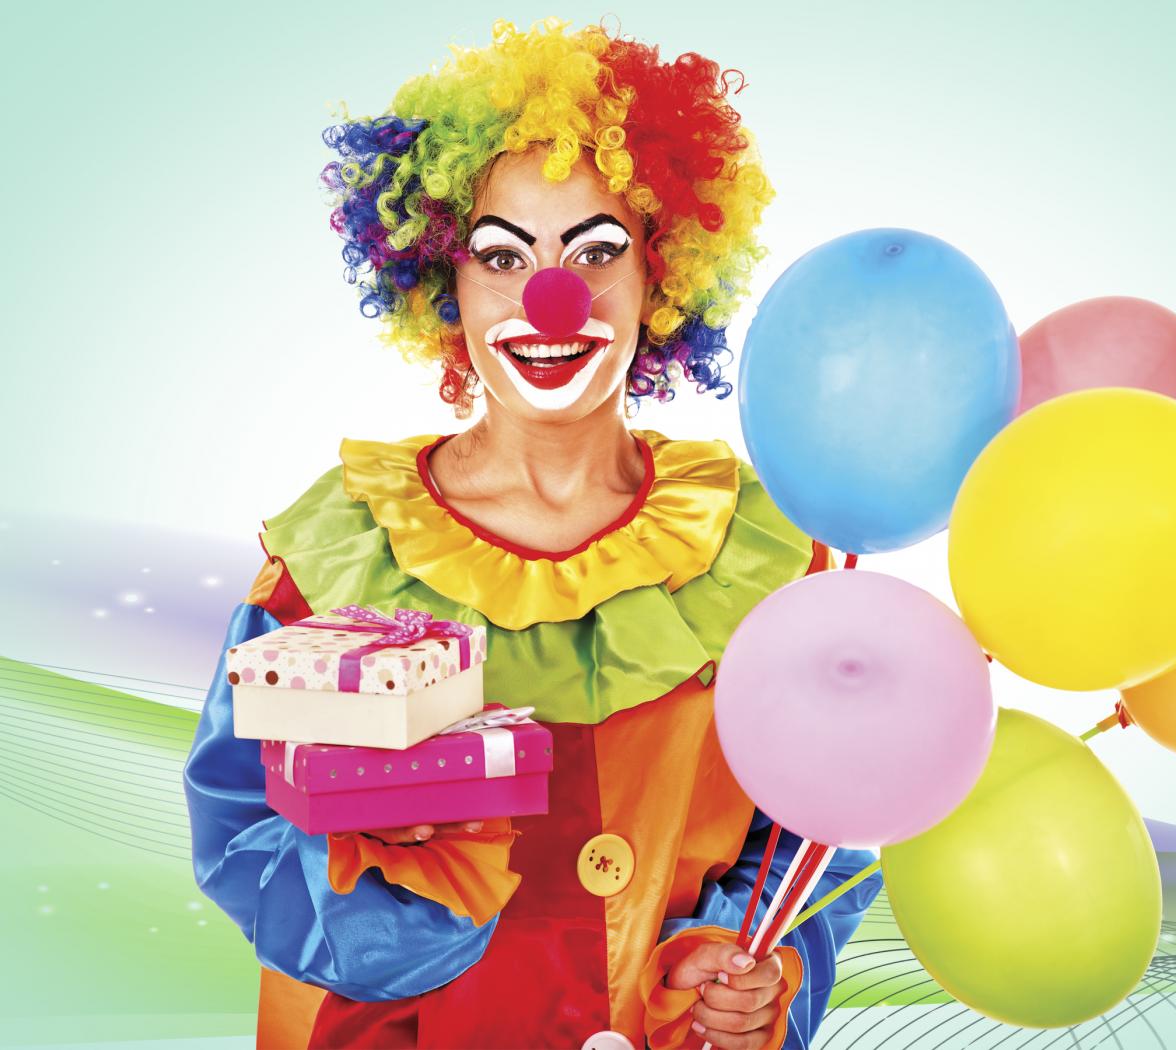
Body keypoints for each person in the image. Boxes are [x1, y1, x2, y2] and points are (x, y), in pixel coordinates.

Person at [183, 16, 883, 1049]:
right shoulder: (339, 554)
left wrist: (751, 962)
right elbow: (239, 830)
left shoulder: (765, 553)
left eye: (596, 251)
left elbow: (823, 826)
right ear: (445, 284)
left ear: (661, 276)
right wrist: (406, 908)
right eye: (501, 256)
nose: (551, 297)